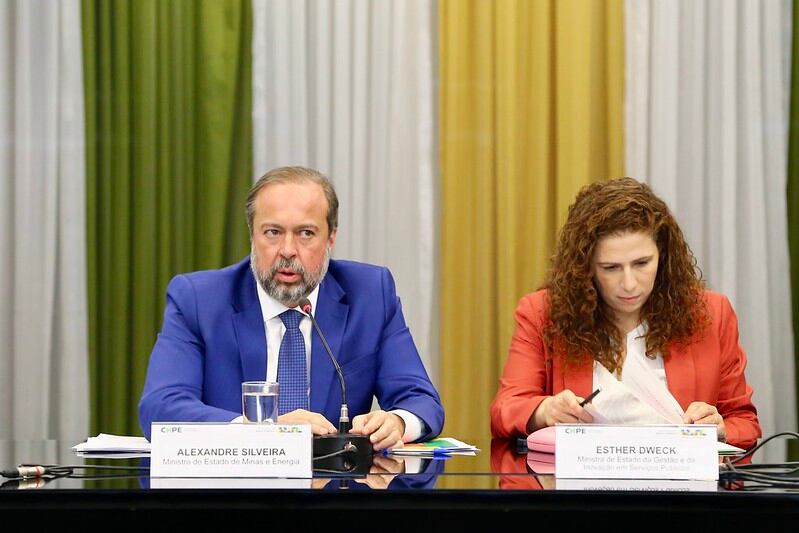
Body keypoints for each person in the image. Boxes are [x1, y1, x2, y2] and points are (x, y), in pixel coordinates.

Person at [139, 166, 444, 450]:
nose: (287, 250)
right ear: (252, 235)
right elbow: (161, 406)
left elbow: (421, 401)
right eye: (273, 232)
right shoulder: (199, 300)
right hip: (229, 486)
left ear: (331, 238)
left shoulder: (369, 295)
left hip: (337, 485)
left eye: (305, 233)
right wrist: (260, 430)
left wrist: (397, 422)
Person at [490, 178, 761, 450]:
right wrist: (544, 410)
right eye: (610, 268)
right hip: (581, 476)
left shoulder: (711, 313)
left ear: (663, 256)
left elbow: (745, 422)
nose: (629, 284)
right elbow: (505, 409)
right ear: (586, 267)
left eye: (642, 263)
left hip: (680, 477)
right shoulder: (542, 313)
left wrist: (719, 428)